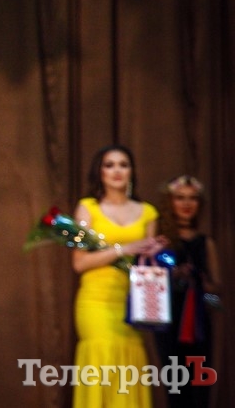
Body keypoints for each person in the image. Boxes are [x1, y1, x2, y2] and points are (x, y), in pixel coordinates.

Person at [71, 145, 166, 408]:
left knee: (129, 369)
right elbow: (79, 263)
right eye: (109, 165)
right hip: (96, 303)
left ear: (131, 171)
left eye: (123, 165)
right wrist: (123, 249)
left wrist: (155, 255)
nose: (116, 171)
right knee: (101, 365)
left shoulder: (148, 212)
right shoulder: (87, 208)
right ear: (99, 172)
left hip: (132, 303)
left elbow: (147, 266)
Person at [153, 175, 220, 408]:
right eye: (180, 198)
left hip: (199, 328)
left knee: (200, 390)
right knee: (174, 390)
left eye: (192, 198)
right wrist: (172, 278)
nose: (186, 204)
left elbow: (215, 296)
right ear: (170, 202)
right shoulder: (161, 242)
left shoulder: (206, 243)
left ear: (199, 204)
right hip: (168, 326)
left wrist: (200, 284)